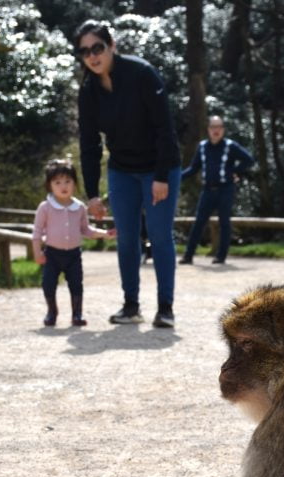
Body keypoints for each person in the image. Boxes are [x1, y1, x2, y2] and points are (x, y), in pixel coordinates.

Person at [74, 20, 182, 328]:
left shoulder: (142, 74)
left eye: (98, 47)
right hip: (122, 170)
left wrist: (161, 176)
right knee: (126, 240)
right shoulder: (88, 91)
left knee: (160, 236)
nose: (92, 56)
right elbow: (90, 145)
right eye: (85, 51)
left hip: (160, 166)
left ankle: (165, 308)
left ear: (112, 46)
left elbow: (165, 128)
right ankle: (131, 305)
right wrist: (92, 193)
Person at [32, 158, 116, 328]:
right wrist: (37, 253)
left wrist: (105, 234)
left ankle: (77, 314)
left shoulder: (79, 208)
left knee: (76, 284)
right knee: (48, 283)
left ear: (75, 184)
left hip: (73, 254)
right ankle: (51, 312)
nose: (63, 186)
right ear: (50, 186)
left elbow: (86, 230)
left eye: (68, 181)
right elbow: (37, 233)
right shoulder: (45, 207)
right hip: (52, 253)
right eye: (57, 182)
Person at [179, 115, 254, 265]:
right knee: (199, 222)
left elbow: (249, 159)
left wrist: (236, 172)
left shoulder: (230, 146)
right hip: (207, 190)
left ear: (223, 130)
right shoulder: (202, 147)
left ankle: (221, 256)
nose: (216, 130)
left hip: (225, 189)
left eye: (219, 127)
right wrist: (176, 177)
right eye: (213, 127)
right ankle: (188, 256)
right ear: (208, 130)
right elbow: (194, 168)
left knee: (224, 222)